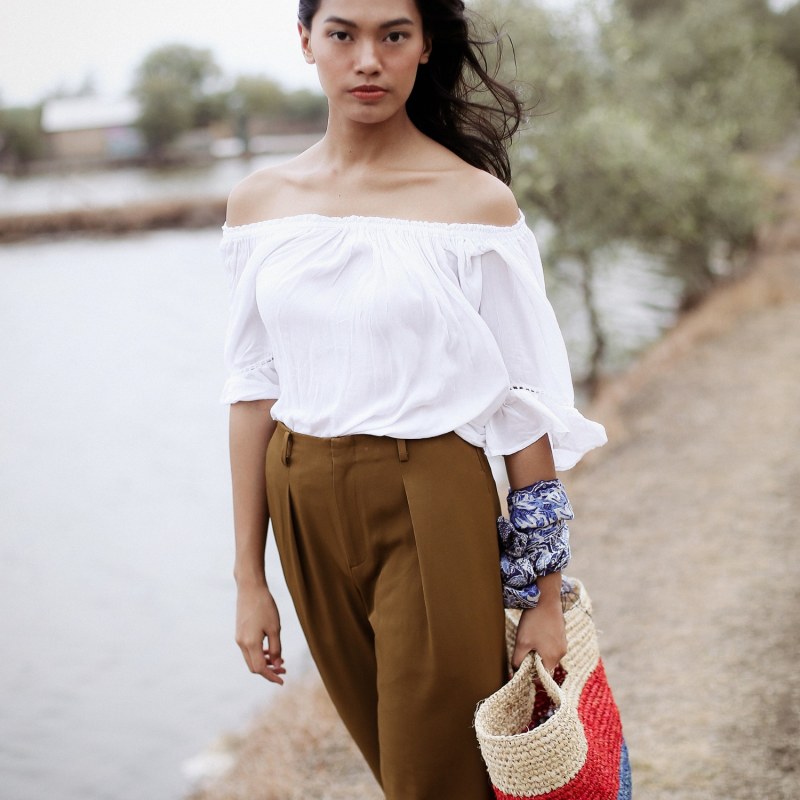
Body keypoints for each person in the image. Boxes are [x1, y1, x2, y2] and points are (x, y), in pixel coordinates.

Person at [220, 0, 607, 797]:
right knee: (394, 768)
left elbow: (520, 411)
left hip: (429, 498)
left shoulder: (475, 207)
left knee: (439, 777)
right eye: (343, 35)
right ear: (306, 42)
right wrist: (249, 580)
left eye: (393, 35)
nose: (368, 60)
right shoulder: (259, 204)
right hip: (301, 501)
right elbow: (251, 392)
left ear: (425, 46)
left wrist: (544, 595)